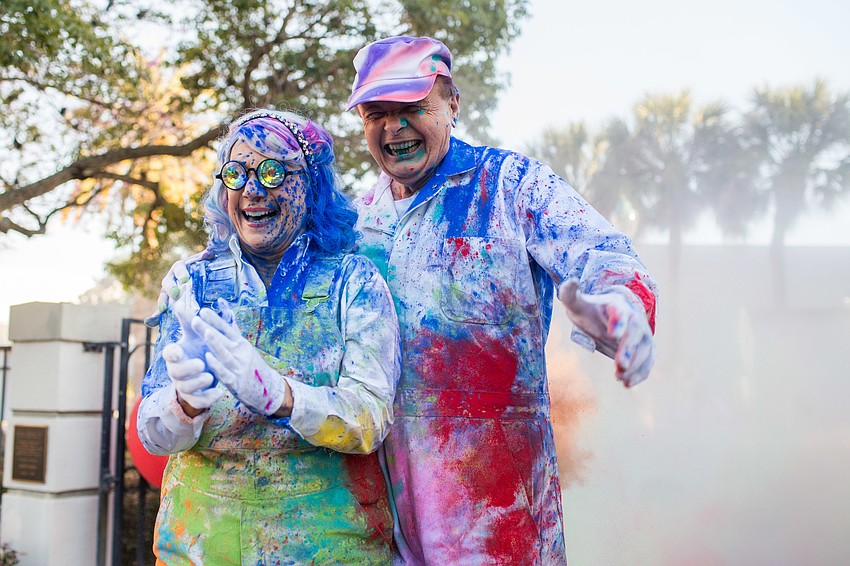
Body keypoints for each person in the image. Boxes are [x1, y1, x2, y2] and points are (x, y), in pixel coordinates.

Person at [344, 36, 659, 564]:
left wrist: (621, 310)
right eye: (377, 113)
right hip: (386, 526)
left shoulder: (512, 186)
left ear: (452, 104)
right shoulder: (356, 222)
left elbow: (605, 255)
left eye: (412, 108)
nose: (393, 128)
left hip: (499, 522)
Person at [137, 109, 400, 564]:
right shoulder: (190, 282)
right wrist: (183, 405)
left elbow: (371, 418)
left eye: (274, 172)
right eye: (236, 174)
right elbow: (153, 436)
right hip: (198, 549)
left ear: (311, 183)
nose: (253, 190)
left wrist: (284, 396)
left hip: (328, 547)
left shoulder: (353, 280)